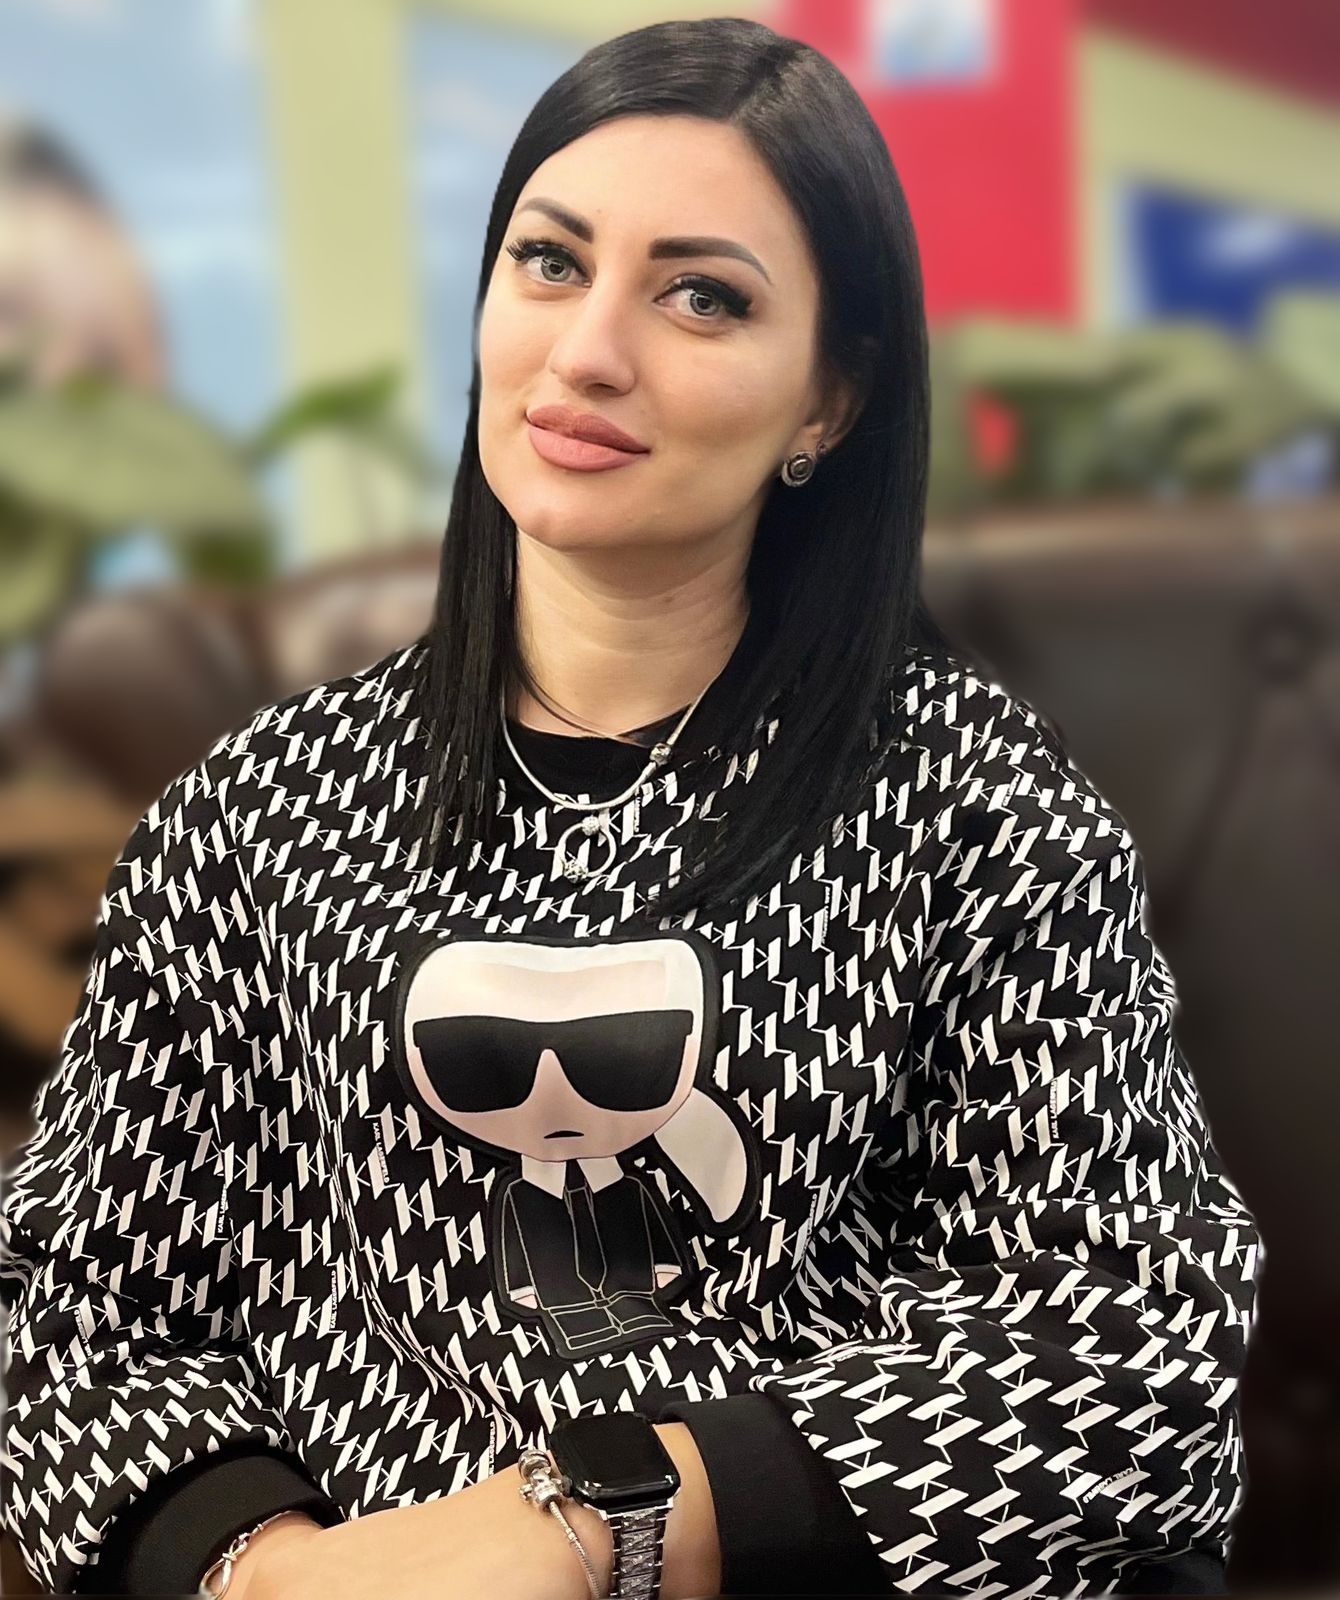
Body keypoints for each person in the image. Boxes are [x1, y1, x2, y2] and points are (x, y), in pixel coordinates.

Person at [0, 17, 1259, 1600]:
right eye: (550, 261)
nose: (589, 351)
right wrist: (260, 1568)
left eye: (702, 296)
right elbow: (64, 1303)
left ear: (831, 400)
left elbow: (1137, 1330)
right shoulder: (259, 816)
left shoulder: (978, 807)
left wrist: (600, 1525)